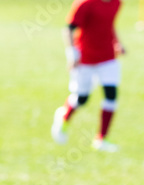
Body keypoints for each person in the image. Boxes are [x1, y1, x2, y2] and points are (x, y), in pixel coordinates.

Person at [51, 0, 123, 152]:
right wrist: (72, 55)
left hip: (108, 57)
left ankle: (102, 139)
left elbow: (108, 25)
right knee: (82, 98)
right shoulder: (85, 3)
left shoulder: (117, 2)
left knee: (111, 95)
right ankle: (64, 117)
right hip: (85, 58)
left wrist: (117, 43)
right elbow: (69, 29)